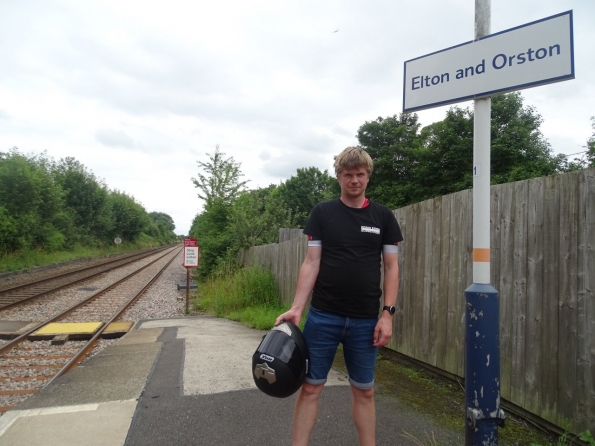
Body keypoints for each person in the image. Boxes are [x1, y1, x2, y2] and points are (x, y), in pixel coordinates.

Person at [275, 146, 403, 446]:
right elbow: (311, 262)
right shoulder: (323, 213)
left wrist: (388, 314)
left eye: (360, 174)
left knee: (365, 391)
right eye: (348, 175)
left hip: (365, 321)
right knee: (310, 388)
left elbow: (392, 267)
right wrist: (297, 308)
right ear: (338, 177)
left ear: (368, 177)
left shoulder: (383, 217)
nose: (354, 180)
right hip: (323, 317)